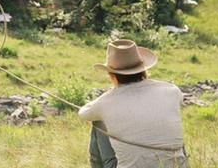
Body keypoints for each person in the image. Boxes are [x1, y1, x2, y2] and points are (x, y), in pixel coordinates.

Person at [79, 39, 188, 168]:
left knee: (98, 122)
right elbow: (179, 99)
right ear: (143, 70)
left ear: (112, 76)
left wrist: (112, 92)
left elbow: (83, 113)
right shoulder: (171, 90)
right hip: (176, 165)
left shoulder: (105, 102)